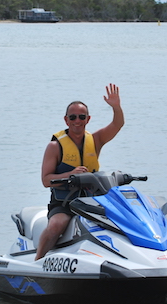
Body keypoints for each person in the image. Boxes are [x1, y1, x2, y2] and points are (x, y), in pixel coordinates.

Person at [34, 83, 125, 260]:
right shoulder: (55, 146)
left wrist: (116, 107)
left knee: (121, 219)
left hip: (92, 201)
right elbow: (46, 180)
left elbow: (118, 124)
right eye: (73, 117)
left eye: (81, 117)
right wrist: (70, 174)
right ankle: (37, 261)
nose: (77, 121)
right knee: (56, 225)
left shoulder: (96, 140)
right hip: (64, 203)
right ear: (66, 120)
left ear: (87, 119)